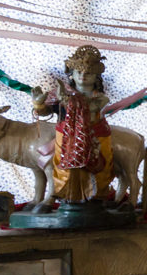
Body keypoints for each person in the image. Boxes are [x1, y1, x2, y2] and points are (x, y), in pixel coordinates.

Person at [31, 45, 113, 203]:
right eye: (79, 72)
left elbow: (92, 108)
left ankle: (97, 197)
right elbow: (45, 112)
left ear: (96, 76)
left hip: (96, 133)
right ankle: (66, 196)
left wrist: (70, 101)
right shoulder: (60, 93)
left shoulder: (99, 97)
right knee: (64, 167)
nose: (83, 76)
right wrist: (38, 104)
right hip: (67, 134)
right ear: (71, 74)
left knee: (99, 164)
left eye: (88, 73)